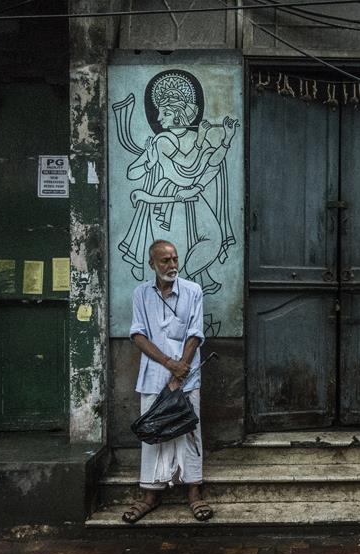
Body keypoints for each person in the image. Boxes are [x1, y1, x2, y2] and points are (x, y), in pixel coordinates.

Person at [118, 72, 237, 294]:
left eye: (165, 113)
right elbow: (133, 172)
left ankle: (188, 288)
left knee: (213, 238)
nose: (159, 119)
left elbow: (208, 166)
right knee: (174, 250)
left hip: (192, 195)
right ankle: (178, 292)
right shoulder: (161, 140)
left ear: (178, 114)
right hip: (168, 201)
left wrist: (226, 140)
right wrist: (150, 162)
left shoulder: (193, 137)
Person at [122, 239, 213, 523]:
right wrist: (169, 364)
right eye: (165, 260)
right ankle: (149, 494)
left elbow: (196, 333)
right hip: (153, 374)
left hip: (187, 375)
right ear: (152, 264)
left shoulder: (193, 291)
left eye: (175, 259)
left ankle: (194, 493)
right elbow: (138, 334)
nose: (172, 265)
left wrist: (181, 366)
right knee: (153, 431)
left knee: (189, 431)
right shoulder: (141, 294)